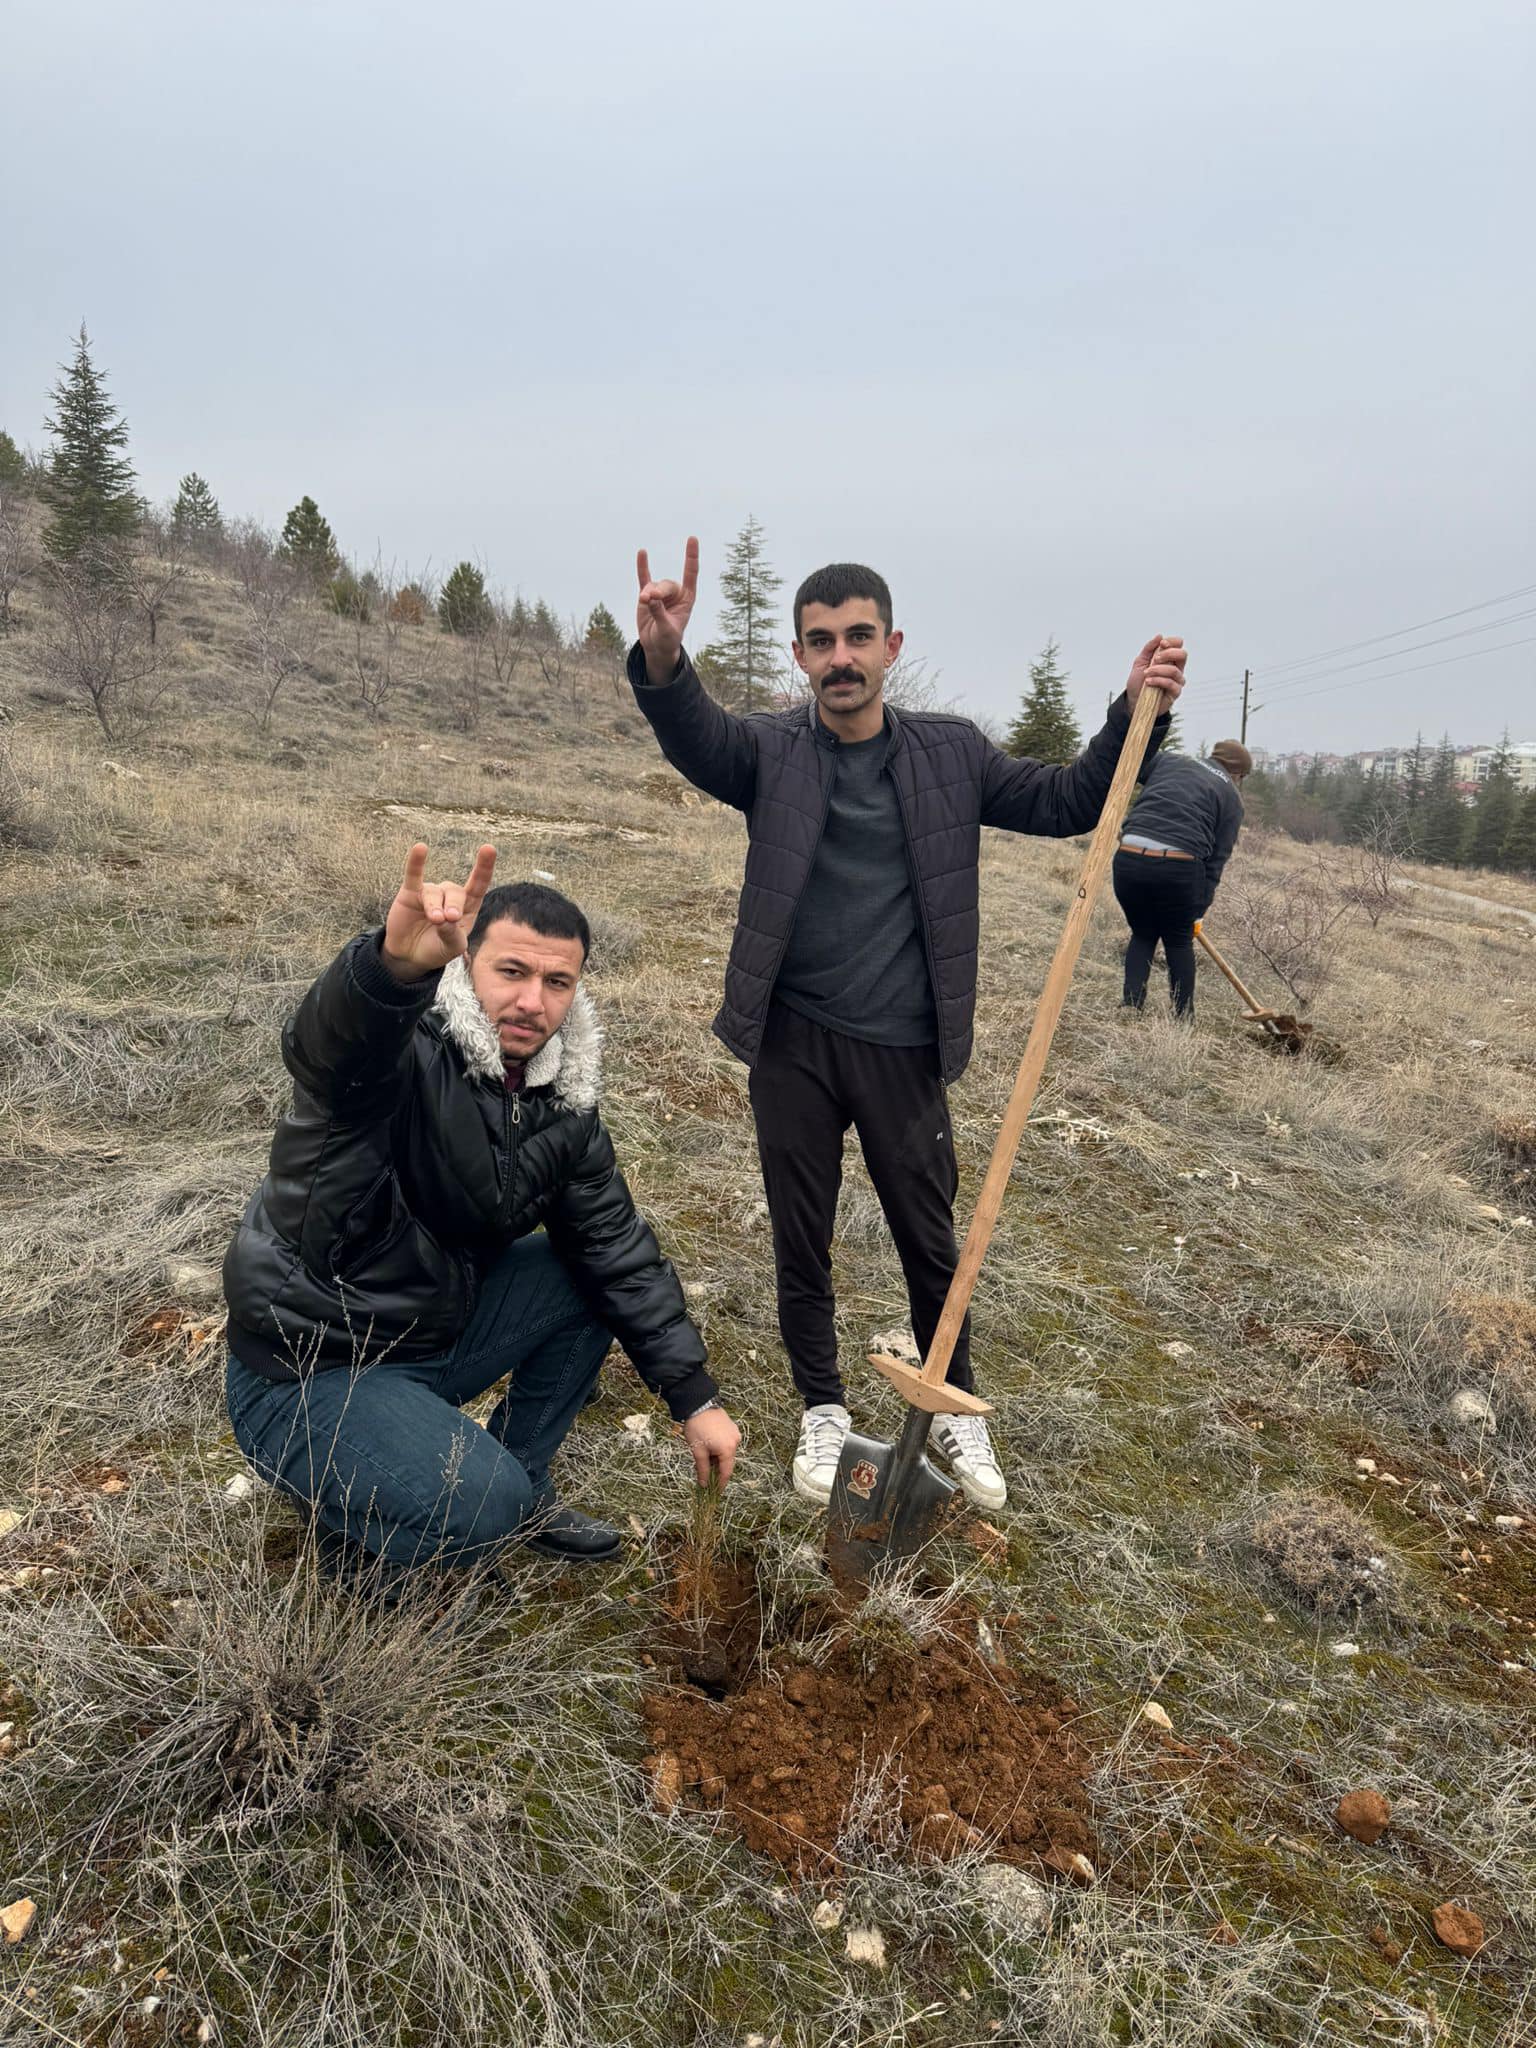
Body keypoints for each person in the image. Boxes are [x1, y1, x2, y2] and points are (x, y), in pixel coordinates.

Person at [628, 539, 1185, 1510]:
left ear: (892, 644)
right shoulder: (769, 753)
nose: (841, 657)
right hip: (792, 1040)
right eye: (820, 642)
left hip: (903, 1047)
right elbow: (694, 737)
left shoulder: (951, 754)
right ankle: (823, 1408)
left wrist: (1135, 713)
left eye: (858, 637)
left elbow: (1066, 800)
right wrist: (668, 659)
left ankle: (954, 1410)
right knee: (801, 1236)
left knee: (932, 1241)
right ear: (800, 659)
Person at [223, 840, 740, 1591]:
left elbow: (615, 1248)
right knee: (475, 1506)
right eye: (513, 971)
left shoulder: (560, 1102)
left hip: (425, 1338)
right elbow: (330, 1050)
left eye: (557, 981)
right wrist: (392, 972)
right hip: (308, 1369)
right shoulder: (403, 1052)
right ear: (467, 965)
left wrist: (696, 1399)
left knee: (584, 1276)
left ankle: (521, 1488)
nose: (534, 1000)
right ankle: (365, 1534)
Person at [1112, 738, 1250, 1018]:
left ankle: (1131, 1005)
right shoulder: (1231, 797)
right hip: (1178, 868)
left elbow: (1130, 764)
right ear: (1237, 773)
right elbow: (1216, 860)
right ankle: (1183, 1017)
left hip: (1128, 859)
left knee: (1143, 932)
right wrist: (1198, 910)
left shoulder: (1167, 760)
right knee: (1178, 940)